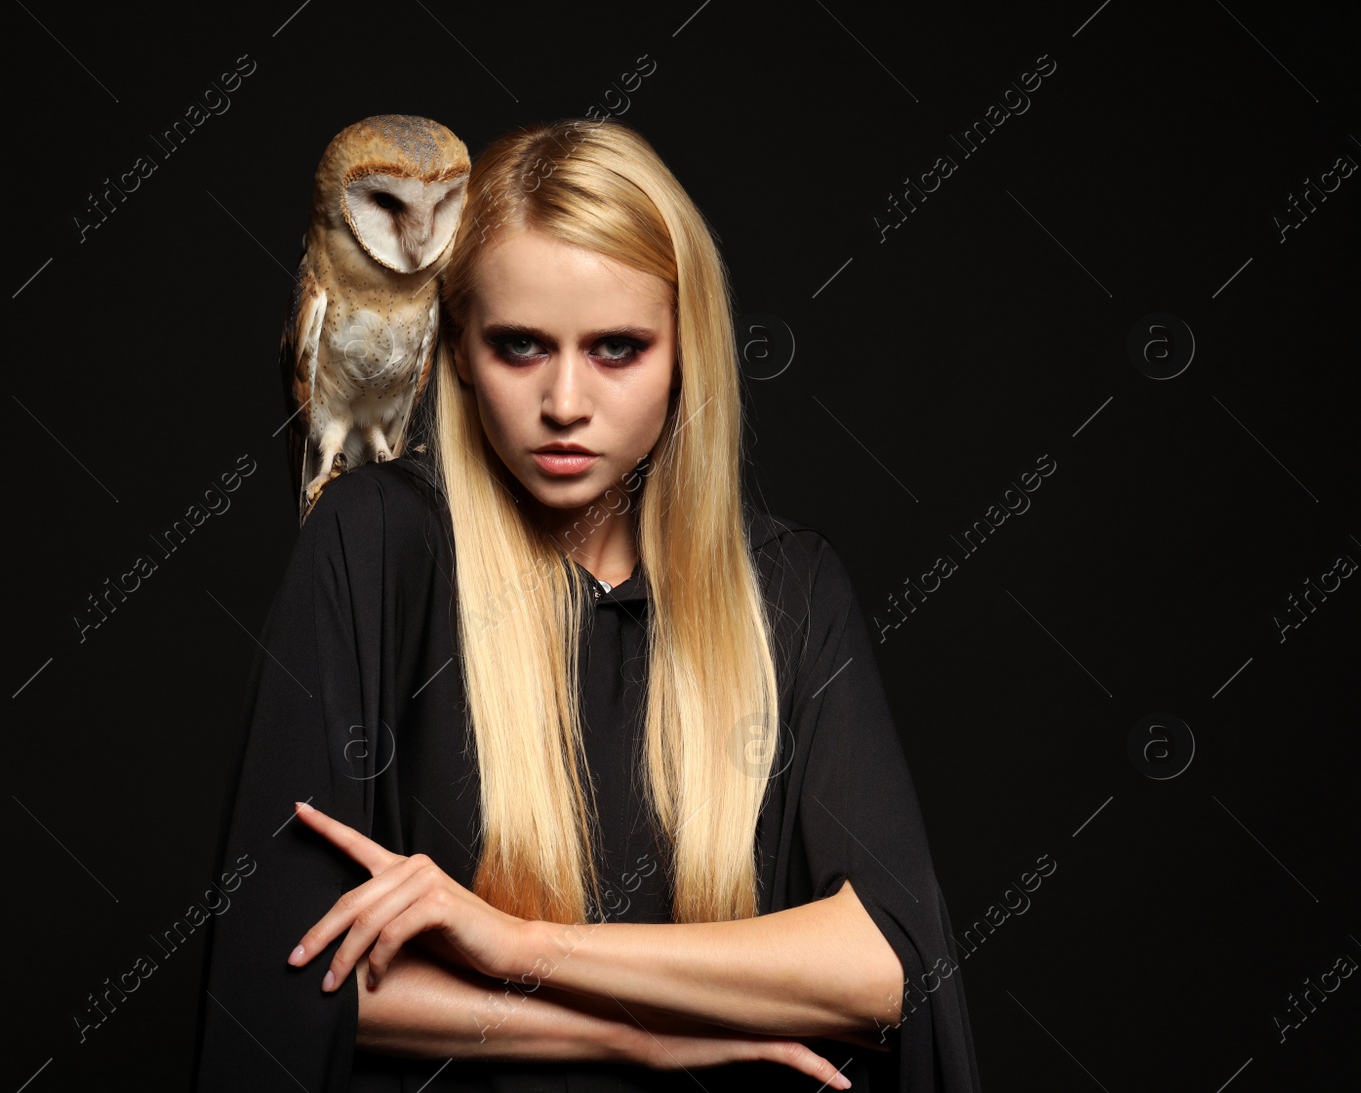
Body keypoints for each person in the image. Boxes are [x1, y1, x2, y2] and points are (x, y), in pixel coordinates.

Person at [192, 117, 982, 1092]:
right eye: (520, 346)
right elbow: (286, 967)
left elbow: (883, 968)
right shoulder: (378, 546)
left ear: (685, 355)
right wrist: (636, 1037)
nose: (565, 401)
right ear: (459, 352)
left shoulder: (791, 589)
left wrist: (519, 947)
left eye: (617, 348)